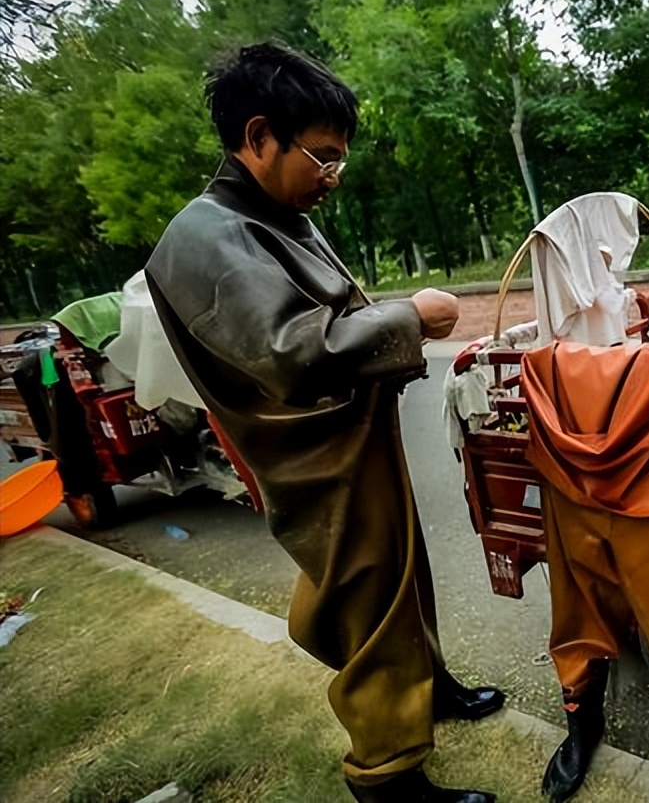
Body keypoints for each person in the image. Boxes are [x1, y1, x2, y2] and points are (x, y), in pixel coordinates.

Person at [145, 43, 503, 803]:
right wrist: (411, 316)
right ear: (259, 136)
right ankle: (386, 773)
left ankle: (428, 683)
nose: (333, 175)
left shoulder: (272, 213)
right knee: (368, 593)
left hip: (352, 433)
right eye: (323, 156)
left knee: (401, 574)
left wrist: (394, 324)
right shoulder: (206, 236)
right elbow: (292, 354)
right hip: (312, 454)